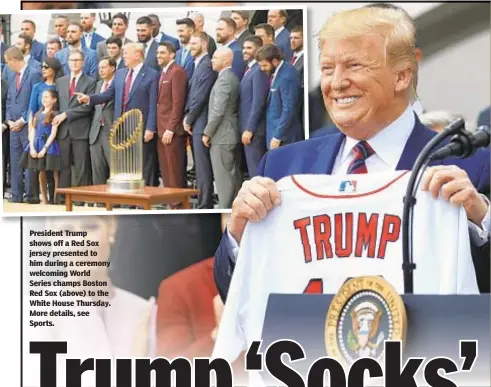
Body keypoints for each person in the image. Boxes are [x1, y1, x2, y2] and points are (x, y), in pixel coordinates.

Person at [213, 6, 491, 300]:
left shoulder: (471, 168)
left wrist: (483, 222)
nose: (336, 82)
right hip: (307, 343)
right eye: (327, 69)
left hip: (426, 344)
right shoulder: (283, 166)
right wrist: (238, 234)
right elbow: (235, 296)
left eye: (355, 66)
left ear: (402, 76)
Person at [77, 43, 160, 187]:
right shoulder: (121, 73)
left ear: (137, 55)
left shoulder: (152, 74)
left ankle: (143, 202)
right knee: (125, 164)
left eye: (126, 53)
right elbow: (108, 94)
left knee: (142, 164)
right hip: (120, 128)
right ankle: (127, 199)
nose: (123, 56)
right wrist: (89, 99)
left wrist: (151, 128)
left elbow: (153, 103)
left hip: (139, 127)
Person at [54, 49, 96, 196]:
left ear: (83, 63)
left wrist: (66, 114)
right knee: (63, 166)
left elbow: (88, 107)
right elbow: (57, 104)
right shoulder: (60, 81)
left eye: (77, 60)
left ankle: (80, 197)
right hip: (63, 131)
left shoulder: (90, 82)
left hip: (80, 130)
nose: (74, 63)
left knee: (81, 167)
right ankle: (63, 198)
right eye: (72, 60)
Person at [203, 48, 241, 209]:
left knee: (224, 180)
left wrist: (207, 132)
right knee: (231, 177)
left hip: (222, 136)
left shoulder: (225, 80)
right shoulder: (229, 77)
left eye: (215, 57)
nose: (212, 60)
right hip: (227, 134)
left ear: (226, 60)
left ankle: (226, 212)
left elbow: (218, 110)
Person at [183, 32, 217, 209]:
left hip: (201, 122)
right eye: (190, 43)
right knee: (199, 166)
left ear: (204, 44)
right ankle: (204, 201)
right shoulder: (198, 64)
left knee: (203, 167)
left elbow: (200, 96)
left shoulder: (207, 65)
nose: (191, 46)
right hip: (196, 122)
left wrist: (189, 118)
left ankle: (205, 204)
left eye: (194, 43)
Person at [4, 47, 41, 204]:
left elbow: (37, 101)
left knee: (29, 161)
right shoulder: (13, 77)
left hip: (28, 126)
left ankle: (31, 195)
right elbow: (9, 101)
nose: (7, 66)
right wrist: (9, 121)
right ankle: (16, 195)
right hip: (13, 127)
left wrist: (23, 120)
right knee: (15, 162)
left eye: (7, 62)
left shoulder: (34, 74)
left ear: (14, 60)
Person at [156, 42, 188, 191]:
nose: (158, 56)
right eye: (157, 53)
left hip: (171, 131)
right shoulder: (163, 72)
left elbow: (178, 103)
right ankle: (170, 203)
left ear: (172, 54)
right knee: (166, 171)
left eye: (162, 53)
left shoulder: (176, 72)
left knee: (174, 171)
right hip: (161, 128)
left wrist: (171, 128)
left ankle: (178, 205)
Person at [20, 89, 61, 204]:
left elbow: (53, 133)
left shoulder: (55, 114)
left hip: (49, 145)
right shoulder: (38, 114)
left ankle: (56, 198)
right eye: (43, 97)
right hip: (37, 144)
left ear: (54, 100)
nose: (44, 99)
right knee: (40, 171)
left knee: (54, 172)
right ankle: (45, 198)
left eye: (47, 97)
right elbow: (32, 130)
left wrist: (45, 148)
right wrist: (32, 146)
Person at [257, 44, 302, 150]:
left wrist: (278, 136)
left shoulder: (287, 76)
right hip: (276, 132)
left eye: (264, 65)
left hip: (285, 138)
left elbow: (289, 109)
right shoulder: (280, 71)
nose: (262, 69)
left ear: (275, 61)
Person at [239, 35, 269, 178]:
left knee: (256, 172)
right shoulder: (249, 69)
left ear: (258, 49)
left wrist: (249, 129)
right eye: (244, 48)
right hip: (247, 128)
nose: (245, 51)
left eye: (249, 48)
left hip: (255, 131)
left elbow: (258, 102)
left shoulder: (259, 71)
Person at [89, 57, 116, 188]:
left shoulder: (118, 83)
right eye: (99, 68)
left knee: (114, 167)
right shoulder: (98, 84)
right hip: (96, 132)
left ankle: (116, 201)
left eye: (104, 67)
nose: (101, 70)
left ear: (113, 68)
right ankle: (100, 201)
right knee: (97, 168)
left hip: (111, 130)